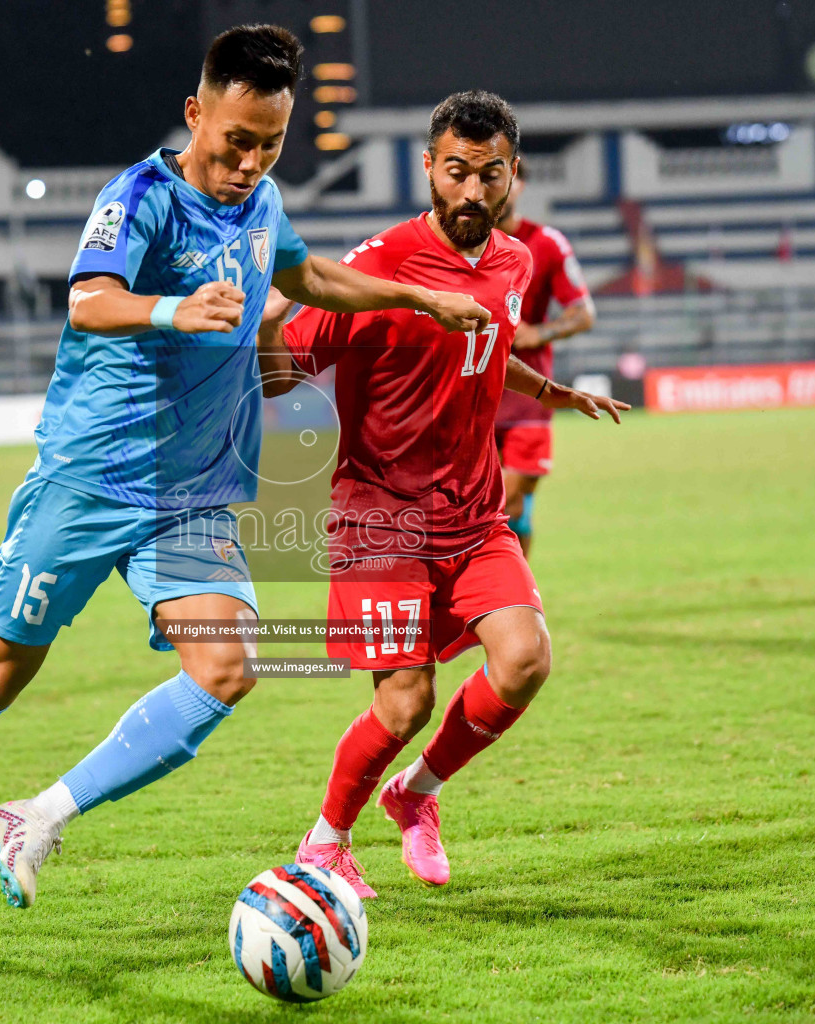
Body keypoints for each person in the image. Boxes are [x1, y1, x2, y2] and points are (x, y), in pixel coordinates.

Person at [0, 24, 491, 916]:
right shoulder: (139, 197)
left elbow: (311, 277)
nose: (248, 162)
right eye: (235, 140)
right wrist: (176, 309)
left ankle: (36, 817)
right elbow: (89, 302)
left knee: (227, 670)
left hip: (192, 492)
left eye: (269, 144)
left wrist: (416, 295)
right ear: (196, 114)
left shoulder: (265, 202)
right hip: (91, 478)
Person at [257, 91, 627, 896]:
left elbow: (488, 351)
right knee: (404, 703)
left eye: (488, 175)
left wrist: (552, 391)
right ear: (428, 167)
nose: (471, 192)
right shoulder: (375, 268)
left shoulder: (516, 263)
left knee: (525, 659)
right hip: (379, 515)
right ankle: (325, 841)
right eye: (455, 171)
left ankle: (414, 794)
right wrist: (264, 327)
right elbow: (282, 379)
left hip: (472, 512)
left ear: (511, 178)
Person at [493, 172, 596, 555]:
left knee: (504, 502)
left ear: (519, 186)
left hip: (529, 401)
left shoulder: (546, 244)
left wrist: (541, 333)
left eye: (505, 176)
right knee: (511, 512)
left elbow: (583, 313)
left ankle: (511, 598)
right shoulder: (454, 245)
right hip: (471, 399)